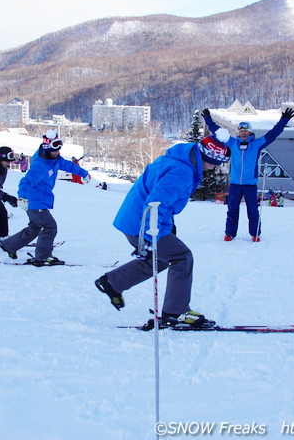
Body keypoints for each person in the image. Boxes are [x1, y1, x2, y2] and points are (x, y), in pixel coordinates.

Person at [95, 126, 231, 327]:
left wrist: (167, 226)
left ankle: (113, 282)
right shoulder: (182, 171)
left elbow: (162, 203)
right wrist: (151, 235)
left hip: (135, 218)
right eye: (216, 164)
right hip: (142, 222)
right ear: (209, 159)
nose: (214, 169)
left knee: (160, 259)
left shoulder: (183, 158)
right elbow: (155, 204)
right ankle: (175, 312)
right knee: (181, 258)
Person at [203, 107, 294, 241]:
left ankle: (255, 234)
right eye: (241, 131)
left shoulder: (256, 145)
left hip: (250, 184)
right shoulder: (232, 143)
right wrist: (208, 119)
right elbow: (218, 131)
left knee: (252, 211)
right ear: (238, 132)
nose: (243, 133)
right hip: (235, 183)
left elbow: (273, 134)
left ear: (250, 132)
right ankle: (229, 233)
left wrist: (284, 119)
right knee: (232, 210)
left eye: (246, 131)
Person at [0, 130, 89, 266]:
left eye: (59, 149)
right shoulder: (40, 166)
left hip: (40, 201)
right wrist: (21, 197)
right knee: (50, 226)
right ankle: (42, 256)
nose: (58, 152)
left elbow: (67, 165)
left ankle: (9, 245)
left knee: (34, 228)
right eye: (55, 150)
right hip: (35, 203)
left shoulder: (54, 159)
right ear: (47, 150)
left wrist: (83, 173)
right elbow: (25, 182)